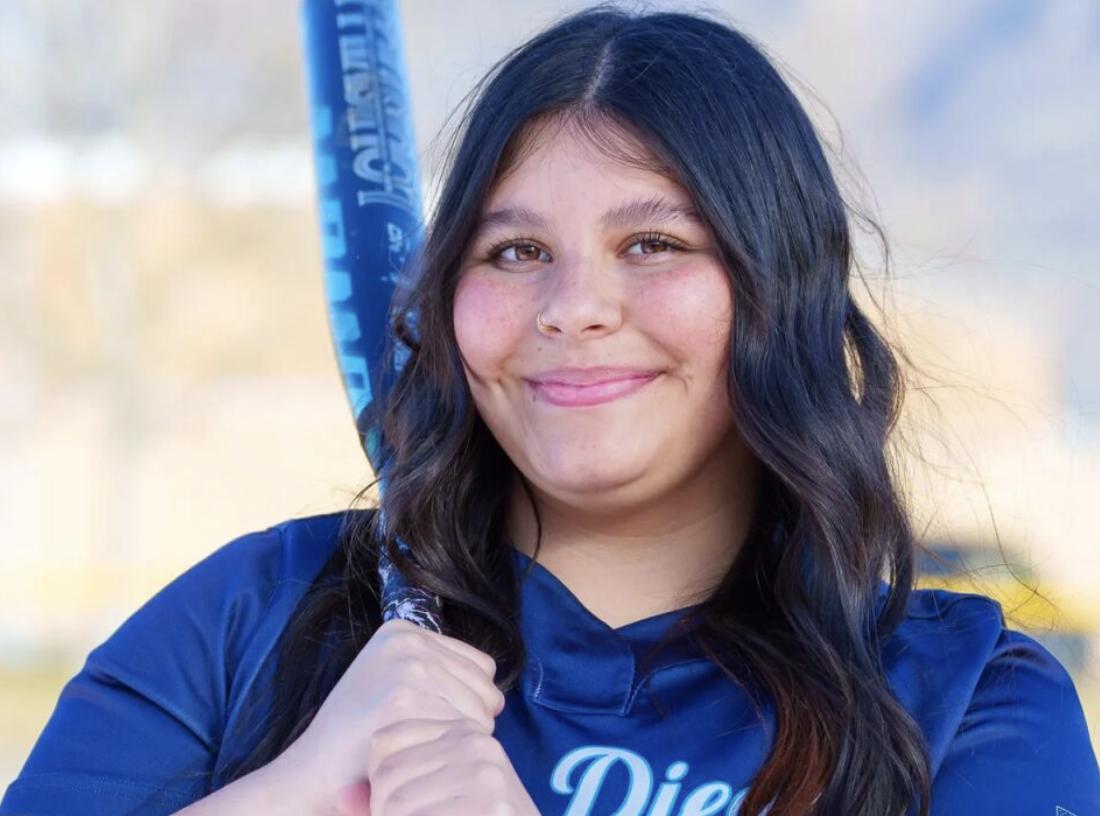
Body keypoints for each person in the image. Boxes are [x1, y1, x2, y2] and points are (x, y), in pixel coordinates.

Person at [3, 4, 1098, 815]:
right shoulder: (256, 620)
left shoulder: (966, 707)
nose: (573, 308)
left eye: (653, 245)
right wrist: (293, 790)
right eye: (515, 250)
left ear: (778, 290)